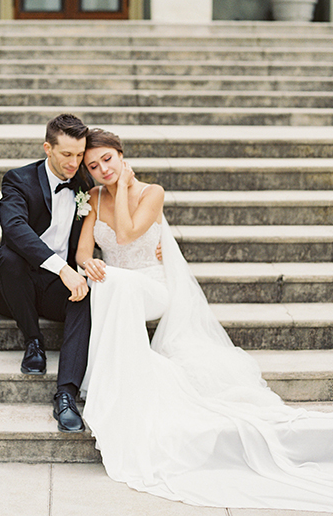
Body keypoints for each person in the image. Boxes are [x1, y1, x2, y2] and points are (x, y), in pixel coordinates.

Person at [76, 127, 333, 511]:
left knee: (120, 284)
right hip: (118, 285)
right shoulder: (92, 198)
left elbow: (127, 235)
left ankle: (110, 380)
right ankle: (117, 380)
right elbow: (82, 253)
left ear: (121, 154)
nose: (102, 169)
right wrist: (91, 262)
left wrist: (124, 189)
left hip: (151, 284)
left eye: (107, 159)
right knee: (110, 281)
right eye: (93, 166)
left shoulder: (152, 193)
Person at [0, 113, 93, 433]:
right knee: (8, 258)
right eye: (67, 154)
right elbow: (14, 228)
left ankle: (66, 395)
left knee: (84, 295)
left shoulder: (85, 184)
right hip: (16, 284)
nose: (75, 162)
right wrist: (63, 269)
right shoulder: (19, 179)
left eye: (80, 154)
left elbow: (105, 227)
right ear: (48, 148)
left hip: (56, 286)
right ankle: (33, 342)